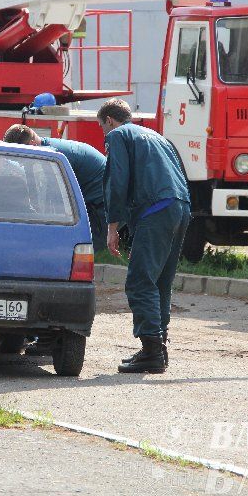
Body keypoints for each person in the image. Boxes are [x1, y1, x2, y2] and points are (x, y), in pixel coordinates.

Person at [97, 98, 191, 374]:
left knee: (140, 280)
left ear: (110, 121)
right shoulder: (157, 136)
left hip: (156, 208)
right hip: (181, 206)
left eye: (102, 127)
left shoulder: (118, 136)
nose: (104, 133)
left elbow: (117, 180)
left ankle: (151, 350)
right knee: (161, 280)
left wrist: (112, 226)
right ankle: (158, 348)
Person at [2, 124, 109, 356]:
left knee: (61, 265)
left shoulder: (53, 157)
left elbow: (53, 201)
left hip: (99, 208)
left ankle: (49, 337)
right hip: (92, 202)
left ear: (30, 145)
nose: (20, 163)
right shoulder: (45, 149)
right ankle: (35, 331)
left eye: (21, 157)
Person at [2, 124, 108, 252]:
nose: (17, 160)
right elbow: (34, 188)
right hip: (91, 196)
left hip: (101, 202)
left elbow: (57, 200)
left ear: (32, 144)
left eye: (18, 156)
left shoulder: (54, 157)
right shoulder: (39, 150)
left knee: (81, 250)